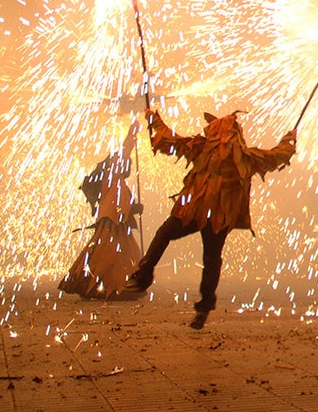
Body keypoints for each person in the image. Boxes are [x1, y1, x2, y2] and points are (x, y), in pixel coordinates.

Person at [123, 109, 296, 329]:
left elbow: (171, 139)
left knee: (174, 238)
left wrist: (154, 120)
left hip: (202, 214)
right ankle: (202, 306)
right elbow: (276, 155)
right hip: (208, 215)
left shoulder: (207, 148)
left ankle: (144, 278)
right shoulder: (239, 155)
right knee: (210, 258)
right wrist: (289, 139)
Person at [59, 120, 146, 299]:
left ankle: (117, 286)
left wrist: (134, 207)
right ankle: (109, 286)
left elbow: (123, 201)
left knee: (118, 254)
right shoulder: (113, 174)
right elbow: (124, 152)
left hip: (116, 222)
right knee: (109, 256)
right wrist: (132, 134)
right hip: (113, 223)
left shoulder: (115, 178)